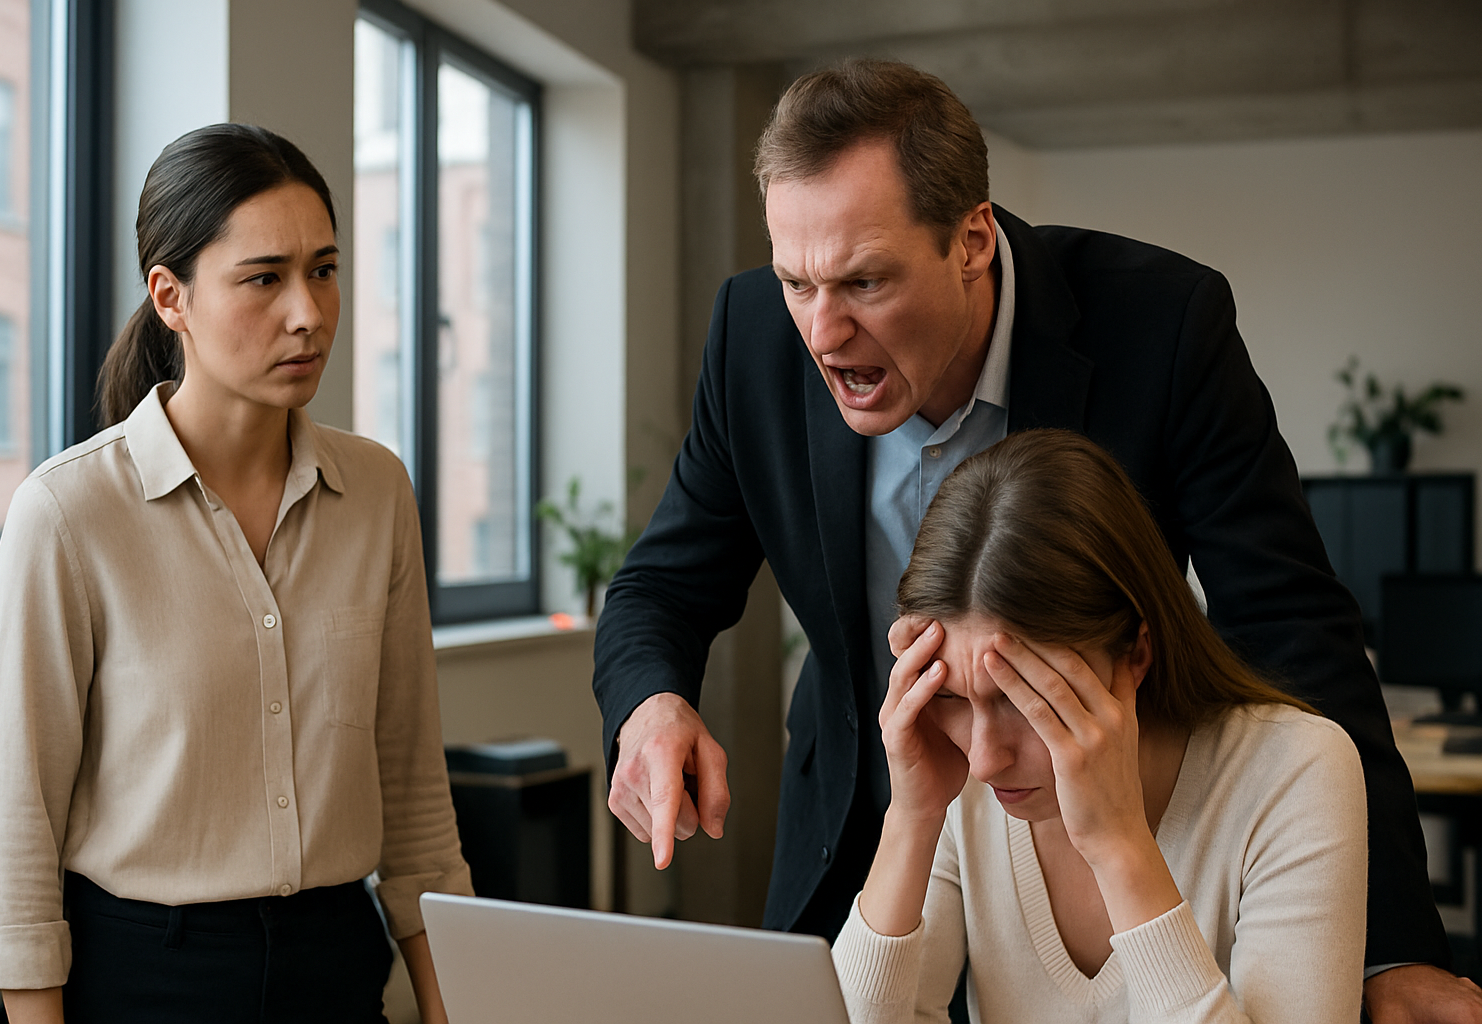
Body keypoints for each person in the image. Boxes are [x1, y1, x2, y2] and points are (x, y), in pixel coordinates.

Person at [592, 59, 1482, 1021]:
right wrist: (649, 704)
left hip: (1106, 815)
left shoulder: (1163, 326)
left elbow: (1292, 621)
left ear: (972, 239)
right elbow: (661, 588)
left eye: (865, 281)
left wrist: (1388, 947)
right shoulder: (756, 339)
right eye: (796, 281)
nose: (821, 331)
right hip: (873, 815)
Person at [0, 124, 470, 1024]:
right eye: (264, 278)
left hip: (335, 971)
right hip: (140, 980)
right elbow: (15, 830)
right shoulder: (69, 514)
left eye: (324, 269)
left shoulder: (379, 491)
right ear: (171, 297)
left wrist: (452, 1006)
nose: (308, 312)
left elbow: (414, 793)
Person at [832, 428, 1366, 1023]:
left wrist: (1120, 846)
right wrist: (912, 817)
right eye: (954, 696)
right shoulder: (958, 777)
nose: (985, 760)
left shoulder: (1295, 773)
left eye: (1025, 698)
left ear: (1136, 654)